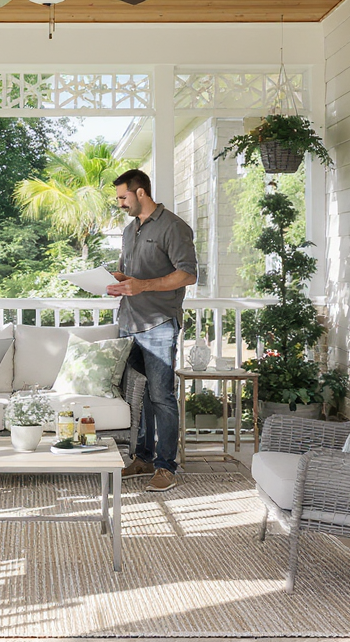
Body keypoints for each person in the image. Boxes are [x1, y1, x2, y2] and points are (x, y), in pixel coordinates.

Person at [106, 169, 197, 492]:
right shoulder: (130, 231)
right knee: (139, 396)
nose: (119, 203)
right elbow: (134, 274)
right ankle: (143, 457)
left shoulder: (173, 227)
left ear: (140, 193)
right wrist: (120, 282)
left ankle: (165, 467)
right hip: (128, 324)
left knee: (161, 395)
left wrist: (143, 285)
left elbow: (187, 274)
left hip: (158, 325)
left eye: (123, 197)